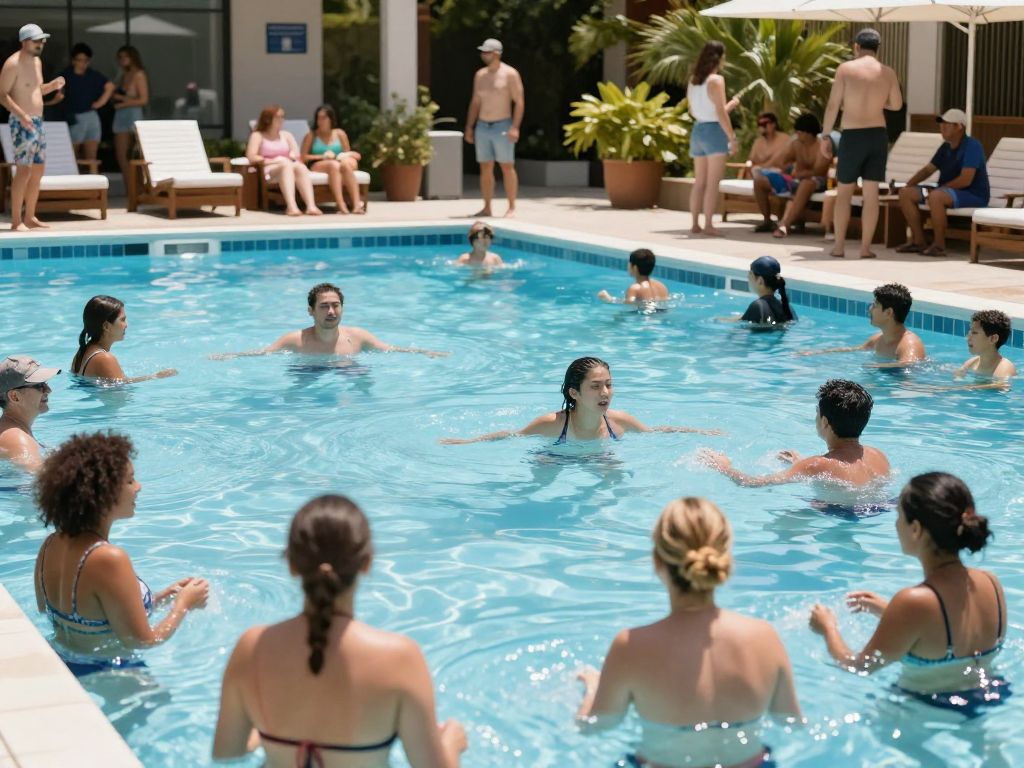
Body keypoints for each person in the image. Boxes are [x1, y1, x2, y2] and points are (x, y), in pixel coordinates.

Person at [213, 494, 468, 766]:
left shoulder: (252, 647)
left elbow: (228, 752)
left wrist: (264, 734)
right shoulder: (400, 658)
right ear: (367, 563)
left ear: (291, 564)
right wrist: (452, 743)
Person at [576, 497, 801, 768]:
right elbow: (791, 721)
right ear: (723, 558)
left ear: (658, 561)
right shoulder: (764, 637)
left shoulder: (631, 646)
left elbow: (594, 727)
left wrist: (592, 687)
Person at [809, 473, 1008, 714]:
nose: (895, 525)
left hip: (926, 710)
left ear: (915, 529)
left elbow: (859, 667)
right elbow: (954, 635)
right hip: (992, 697)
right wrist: (888, 611)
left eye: (899, 517)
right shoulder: (991, 582)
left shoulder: (913, 602)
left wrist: (827, 627)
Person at [33, 432, 209, 676]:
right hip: (112, 674)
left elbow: (73, 615)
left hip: (62, 666)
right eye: (130, 481)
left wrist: (160, 599)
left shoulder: (50, 545)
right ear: (104, 493)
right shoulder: (109, 558)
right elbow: (145, 641)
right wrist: (183, 605)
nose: (138, 487)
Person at [440, 356, 719, 445]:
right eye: (596, 387)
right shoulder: (552, 424)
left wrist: (700, 432)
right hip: (556, 457)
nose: (605, 393)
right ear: (574, 393)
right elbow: (511, 435)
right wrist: (467, 442)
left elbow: (655, 432)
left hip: (598, 458)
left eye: (609, 385)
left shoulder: (618, 421)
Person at [702, 379, 890, 488]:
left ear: (825, 422)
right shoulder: (879, 456)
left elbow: (753, 483)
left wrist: (724, 467)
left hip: (837, 516)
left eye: (817, 414)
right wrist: (801, 464)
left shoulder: (816, 464)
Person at [820, 29, 903, 259]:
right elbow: (896, 105)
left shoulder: (846, 69)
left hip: (853, 135)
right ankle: (865, 248)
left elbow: (832, 105)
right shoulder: (887, 72)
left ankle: (839, 247)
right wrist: (879, 99)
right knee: (871, 194)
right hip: (877, 135)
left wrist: (825, 135)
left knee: (844, 192)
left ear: (856, 46)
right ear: (878, 48)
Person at [211, 283, 447, 359]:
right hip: (309, 376)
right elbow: (263, 354)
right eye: (324, 306)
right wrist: (229, 356)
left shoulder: (357, 337)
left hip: (346, 373)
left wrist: (425, 352)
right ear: (310, 311)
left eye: (335, 305)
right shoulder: (296, 340)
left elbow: (390, 350)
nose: (331, 311)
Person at [896, 109, 990, 258]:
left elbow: (966, 179)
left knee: (936, 197)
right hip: (947, 191)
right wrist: (908, 184)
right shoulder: (945, 147)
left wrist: (940, 190)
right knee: (906, 194)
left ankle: (939, 245)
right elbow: (928, 170)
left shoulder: (972, 146)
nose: (942, 127)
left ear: (960, 126)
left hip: (973, 194)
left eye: (947, 124)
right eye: (941, 124)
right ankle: (918, 242)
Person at [0, 23, 65, 231]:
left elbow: (36, 91)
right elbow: (2, 95)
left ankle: (30, 217)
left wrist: (52, 87)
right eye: (37, 40)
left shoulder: (37, 62)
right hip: (21, 122)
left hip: (37, 121)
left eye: (42, 40)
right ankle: (16, 221)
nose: (41, 43)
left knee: (38, 170)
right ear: (24, 41)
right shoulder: (12, 64)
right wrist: (22, 115)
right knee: (23, 170)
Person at [464, 38, 525, 218]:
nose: (483, 55)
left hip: (502, 125)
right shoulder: (480, 75)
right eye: (482, 52)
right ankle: (487, 207)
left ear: (497, 53)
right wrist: (470, 126)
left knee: (507, 166)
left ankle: (511, 206)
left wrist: (515, 127)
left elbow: (519, 102)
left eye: (487, 52)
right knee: (485, 167)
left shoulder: (510, 74)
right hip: (483, 125)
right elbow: (475, 102)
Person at [798, 283, 926, 365]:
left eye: (875, 306)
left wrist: (875, 366)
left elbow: (909, 364)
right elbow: (854, 350)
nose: (870, 309)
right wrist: (817, 352)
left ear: (888, 312)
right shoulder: (878, 339)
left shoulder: (909, 343)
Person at [687, 40, 740, 237]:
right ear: (720, 58)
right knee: (712, 183)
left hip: (698, 129)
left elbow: (695, 110)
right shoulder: (716, 80)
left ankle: (694, 223)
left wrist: (730, 106)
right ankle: (708, 224)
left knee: (699, 181)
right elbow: (719, 112)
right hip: (714, 132)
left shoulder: (694, 80)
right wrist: (732, 137)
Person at [751, 113, 831, 238]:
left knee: (807, 183)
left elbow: (819, 171)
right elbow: (783, 162)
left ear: (808, 133)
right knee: (759, 181)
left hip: (817, 182)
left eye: (799, 132)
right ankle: (767, 221)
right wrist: (787, 169)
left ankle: (785, 224)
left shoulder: (821, 146)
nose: (797, 135)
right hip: (796, 180)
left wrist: (802, 173)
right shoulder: (796, 144)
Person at [70, 295, 178, 382]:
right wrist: (156, 376)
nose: (126, 325)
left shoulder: (82, 352)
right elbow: (120, 390)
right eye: (122, 320)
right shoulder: (105, 358)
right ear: (106, 326)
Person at [247, 105, 321, 217]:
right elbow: (252, 156)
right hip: (268, 169)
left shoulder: (287, 135)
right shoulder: (258, 135)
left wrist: (291, 157)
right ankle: (291, 206)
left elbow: (296, 155)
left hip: (287, 166)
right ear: (268, 119)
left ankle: (311, 206)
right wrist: (275, 160)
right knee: (286, 165)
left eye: (283, 116)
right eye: (278, 117)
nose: (282, 119)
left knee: (300, 167)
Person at [53, 43, 115, 161]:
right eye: (79, 60)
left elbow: (110, 86)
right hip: (74, 117)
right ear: (73, 60)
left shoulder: (93, 75)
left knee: (91, 157)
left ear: (89, 61)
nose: (82, 63)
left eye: (85, 60)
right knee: (72, 155)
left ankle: (93, 177)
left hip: (91, 116)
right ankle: (73, 178)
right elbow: (58, 94)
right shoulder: (66, 75)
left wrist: (100, 103)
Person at [300, 104, 364, 214]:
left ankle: (357, 204)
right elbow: (303, 157)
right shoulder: (312, 135)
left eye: (324, 118)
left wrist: (341, 156)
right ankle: (340, 203)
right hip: (318, 163)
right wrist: (323, 156)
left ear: (331, 119)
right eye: (318, 118)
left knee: (345, 164)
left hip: (340, 161)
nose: (321, 121)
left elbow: (346, 152)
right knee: (333, 165)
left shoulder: (340, 134)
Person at [0, 355, 59, 473]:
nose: (48, 390)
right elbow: (42, 480)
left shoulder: (12, 431)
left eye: (45, 383)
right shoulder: (18, 439)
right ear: (15, 396)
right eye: (39, 385)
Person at [717, 256, 796, 325]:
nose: (748, 277)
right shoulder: (787, 307)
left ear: (760, 281)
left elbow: (742, 329)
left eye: (750, 273)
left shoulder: (758, 306)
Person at [111, 45, 149, 186]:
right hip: (120, 115)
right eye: (120, 57)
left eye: (125, 56)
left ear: (133, 57)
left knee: (136, 155)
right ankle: (129, 189)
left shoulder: (139, 74)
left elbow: (144, 99)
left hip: (133, 114)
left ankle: (139, 188)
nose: (122, 60)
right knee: (121, 156)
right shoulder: (122, 75)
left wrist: (124, 102)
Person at [957, 310, 1017, 379]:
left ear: (993, 339)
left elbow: (1002, 385)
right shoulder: (971, 364)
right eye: (969, 332)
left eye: (974, 333)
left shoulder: (1005, 367)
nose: (968, 338)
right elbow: (957, 378)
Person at [597, 248, 668, 304]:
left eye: (629, 263)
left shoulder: (635, 288)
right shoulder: (661, 286)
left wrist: (609, 299)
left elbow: (628, 305)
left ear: (635, 268)